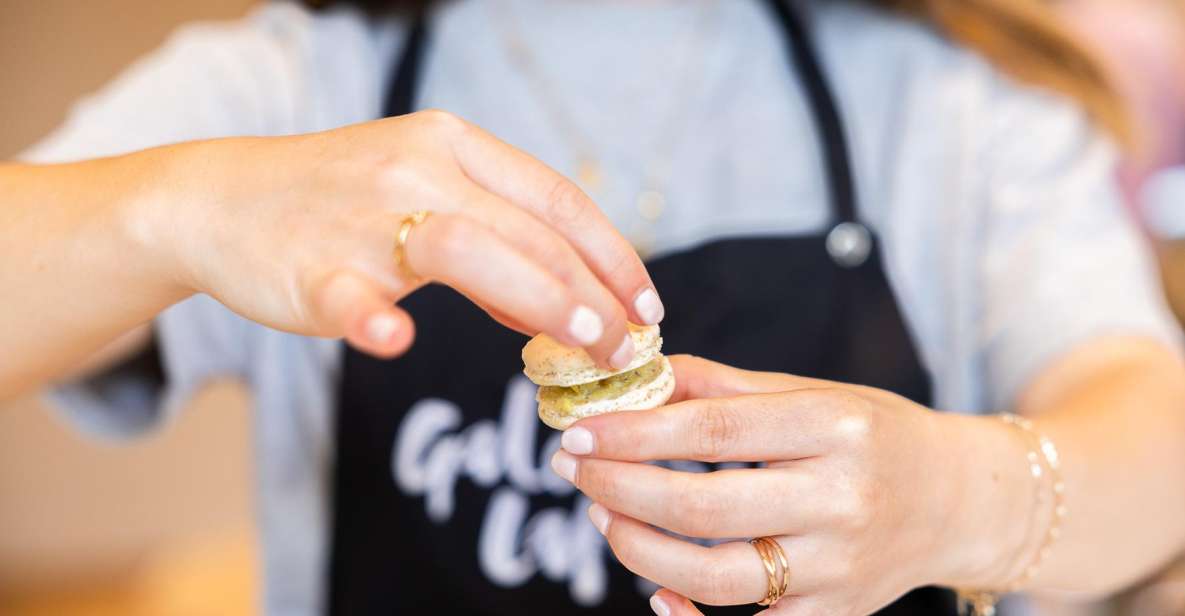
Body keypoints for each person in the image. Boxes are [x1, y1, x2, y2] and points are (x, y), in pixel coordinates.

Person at [3, 0, 1185, 615]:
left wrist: (958, 494)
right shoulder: (293, 83)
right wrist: (171, 206)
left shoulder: (948, 105)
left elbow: (1157, 438)